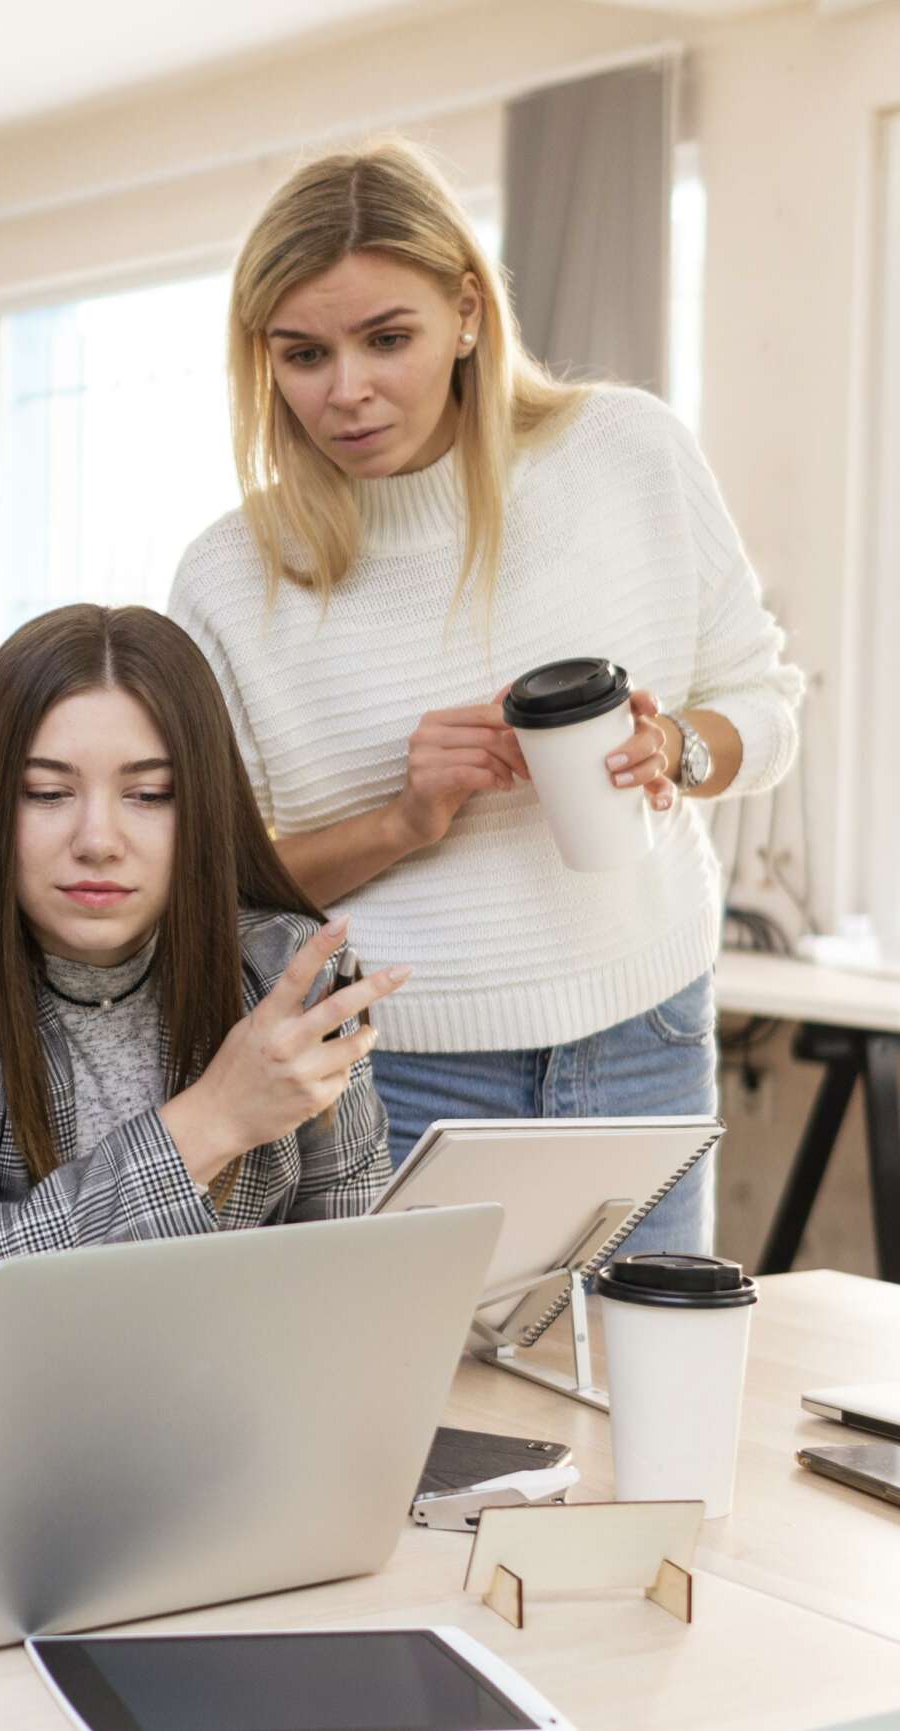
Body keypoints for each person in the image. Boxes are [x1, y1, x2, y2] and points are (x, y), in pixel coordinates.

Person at [167, 140, 802, 1255]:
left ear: (464, 311)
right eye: (302, 354)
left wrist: (676, 752)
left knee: (645, 1399)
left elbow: (760, 698)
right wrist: (399, 821)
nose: (345, 390)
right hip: (392, 1074)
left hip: (645, 1030)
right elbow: (219, 885)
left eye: (386, 338)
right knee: (419, 1422)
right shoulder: (230, 573)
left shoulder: (626, 453)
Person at [0, 605, 397, 1381]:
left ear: (204, 810)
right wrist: (209, 1121)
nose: (97, 838)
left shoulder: (284, 968)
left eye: (150, 794)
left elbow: (353, 1286)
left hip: (226, 1424)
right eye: (47, 793)